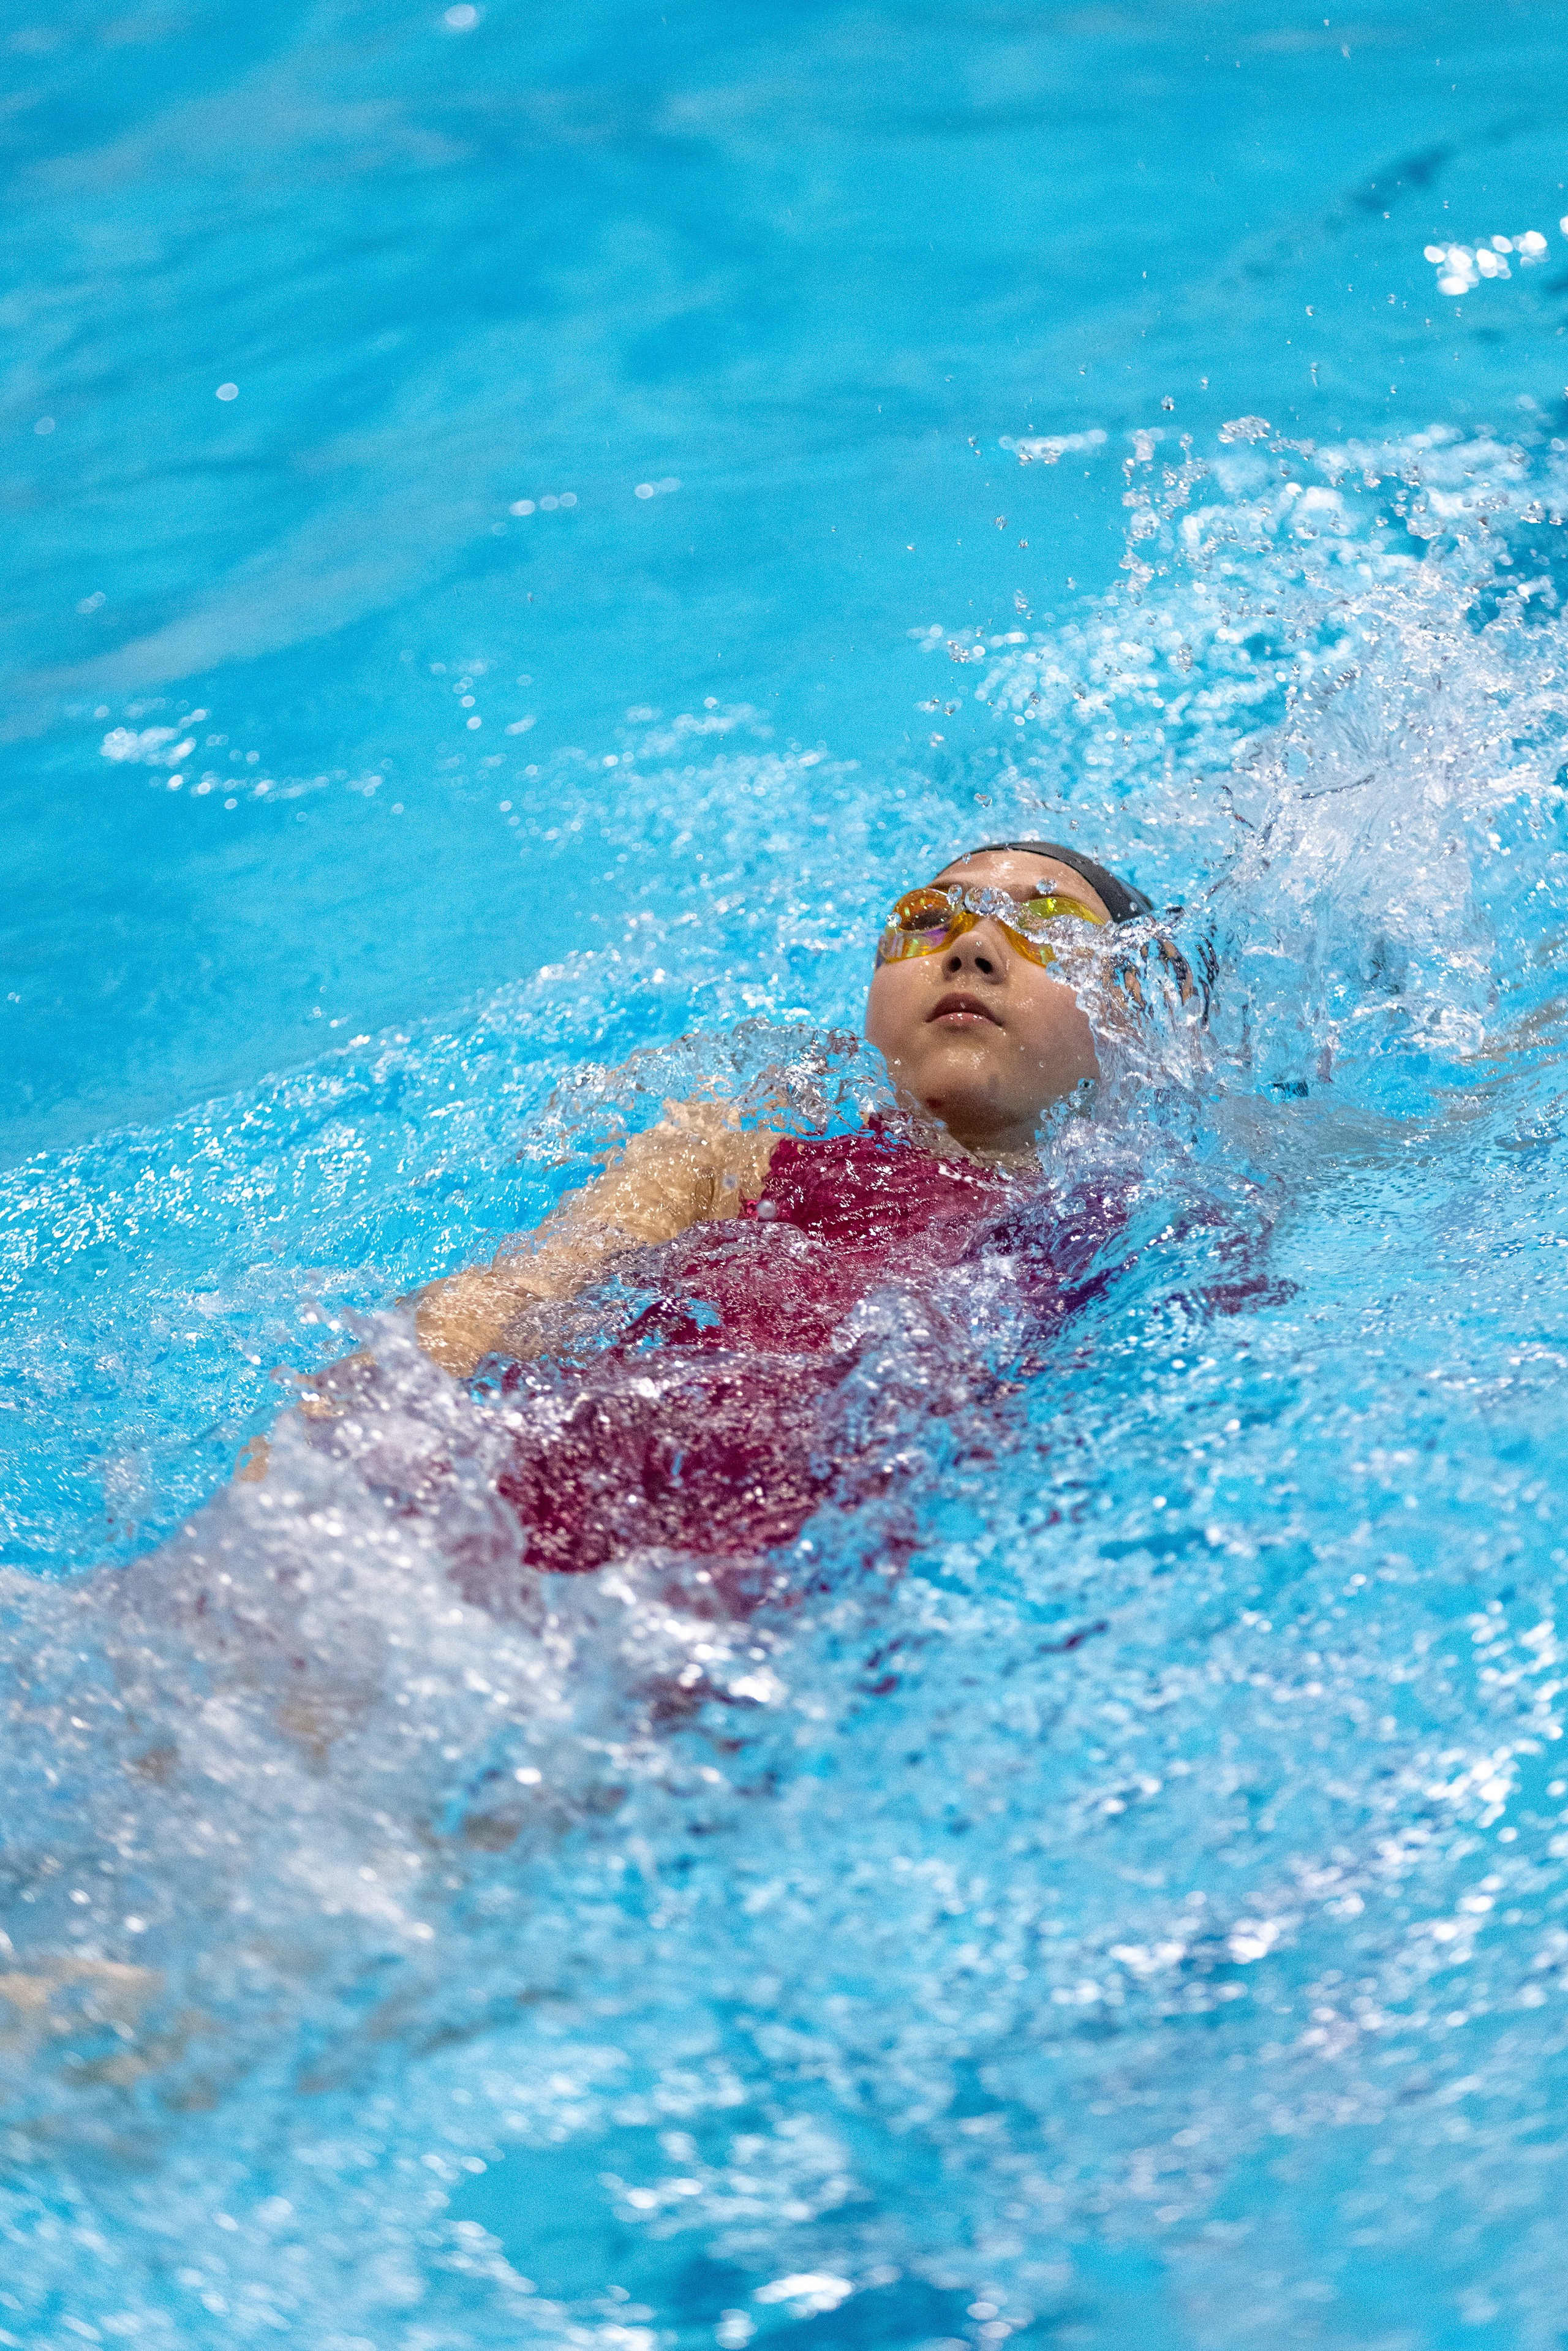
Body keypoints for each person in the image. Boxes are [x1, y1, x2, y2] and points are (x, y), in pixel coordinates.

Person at [241, 841, 1166, 1590]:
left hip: (817, 1593)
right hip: (536, 1513)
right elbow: (493, 1303)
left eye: (1046, 924)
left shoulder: (1143, 1212)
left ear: (1135, 1010)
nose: (970, 948)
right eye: (929, 919)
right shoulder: (727, 1153)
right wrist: (295, 1477)